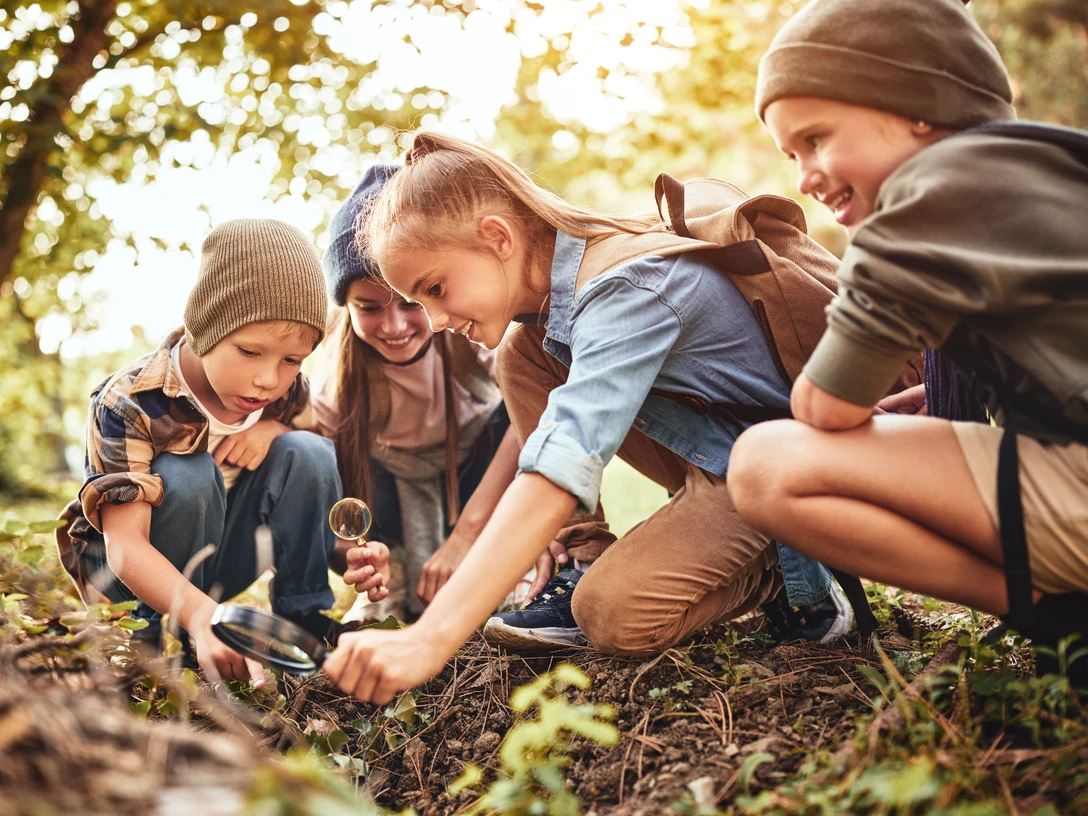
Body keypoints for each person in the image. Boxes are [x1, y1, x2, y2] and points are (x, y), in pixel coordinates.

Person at [322, 131, 871, 703]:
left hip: (786, 466)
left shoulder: (624, 289)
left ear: (497, 237)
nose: (432, 320)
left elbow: (563, 459)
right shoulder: (548, 319)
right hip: (722, 455)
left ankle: (791, 563)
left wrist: (428, 639)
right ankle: (582, 559)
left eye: (434, 289)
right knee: (522, 354)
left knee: (611, 614)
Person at [727, 0, 1088, 685]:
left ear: (917, 107)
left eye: (817, 138)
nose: (804, 176)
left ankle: (1056, 616)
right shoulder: (1048, 162)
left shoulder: (924, 197)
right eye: (792, 154)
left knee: (766, 464)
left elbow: (824, 409)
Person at [56, 219, 390, 685]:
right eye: (250, 352)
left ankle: (305, 620)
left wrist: (342, 554)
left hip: (214, 566)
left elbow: (301, 493)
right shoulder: (131, 402)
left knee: (310, 451)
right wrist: (204, 618)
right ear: (206, 328)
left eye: (292, 360)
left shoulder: (282, 397)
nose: (268, 379)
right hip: (129, 583)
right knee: (190, 473)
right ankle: (146, 648)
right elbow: (125, 547)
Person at [315, 165, 555, 621]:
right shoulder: (334, 381)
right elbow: (326, 489)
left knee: (516, 413)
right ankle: (392, 580)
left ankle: (506, 562)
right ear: (346, 308)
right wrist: (354, 552)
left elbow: (537, 415)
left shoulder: (465, 329)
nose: (394, 326)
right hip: (391, 496)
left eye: (411, 304)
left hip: (471, 483)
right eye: (368, 309)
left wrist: (468, 533)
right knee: (320, 454)